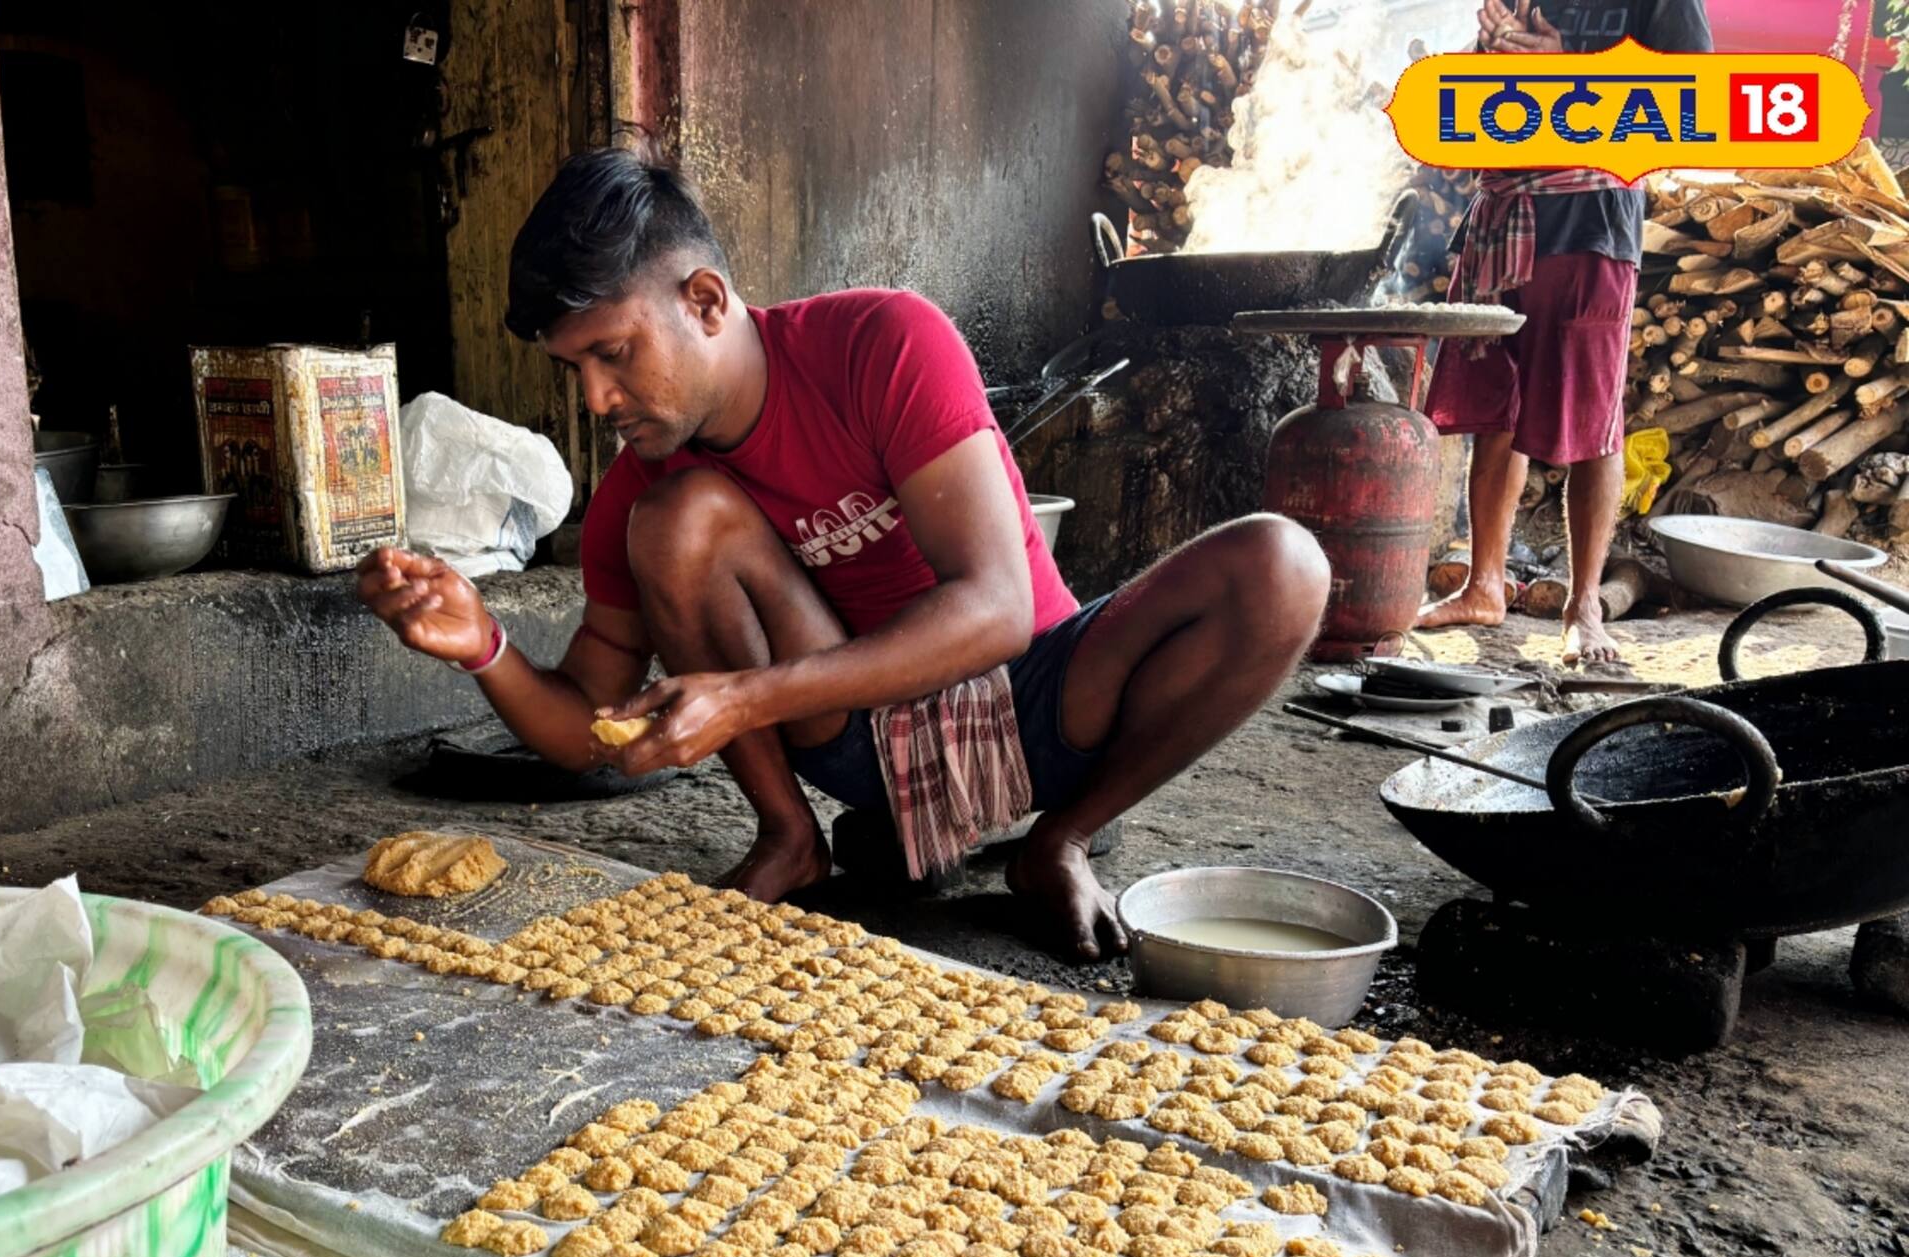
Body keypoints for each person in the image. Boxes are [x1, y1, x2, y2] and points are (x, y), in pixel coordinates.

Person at [356, 147, 1329, 959]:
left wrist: (740, 699)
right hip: (857, 746)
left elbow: (993, 608)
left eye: (612, 352)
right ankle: (790, 838)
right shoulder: (638, 493)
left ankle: (1058, 842)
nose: (596, 400)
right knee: (679, 519)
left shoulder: (880, 341)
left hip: (1036, 699)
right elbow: (585, 731)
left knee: (1282, 565)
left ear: (704, 300)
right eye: (575, 370)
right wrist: (482, 643)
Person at [1418, 0, 1713, 665]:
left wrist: (1566, 76)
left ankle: (1584, 607)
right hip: (1504, 213)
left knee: (1595, 419)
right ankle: (1483, 584)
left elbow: (1692, 109)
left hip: (1593, 218)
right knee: (1497, 407)